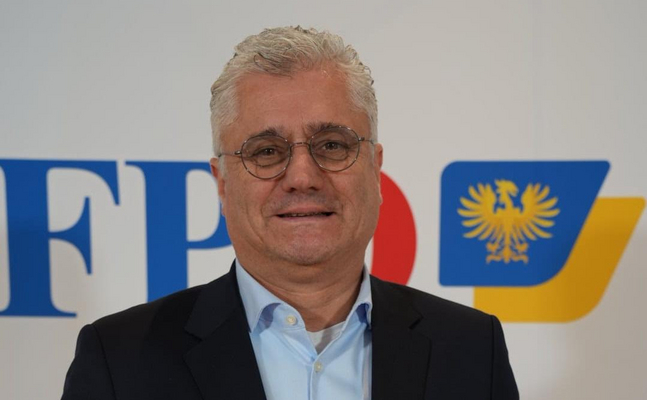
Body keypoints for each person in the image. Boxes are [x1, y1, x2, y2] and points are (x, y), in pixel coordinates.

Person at [62, 26, 518, 400]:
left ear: (375, 170)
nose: (302, 176)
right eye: (266, 151)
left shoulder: (472, 349)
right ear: (222, 183)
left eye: (332, 145)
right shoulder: (118, 361)